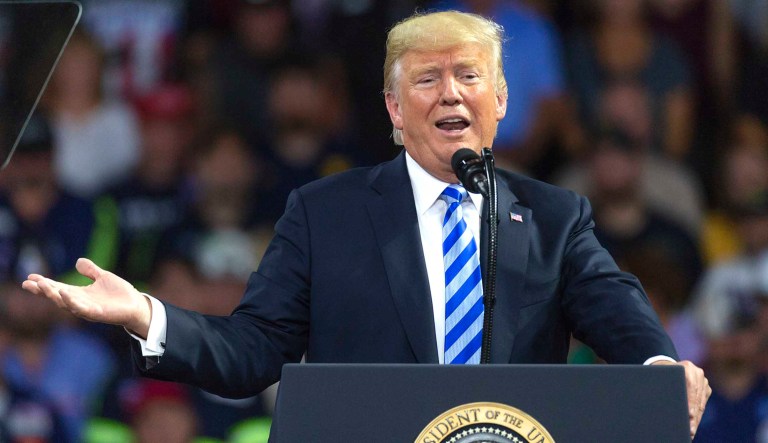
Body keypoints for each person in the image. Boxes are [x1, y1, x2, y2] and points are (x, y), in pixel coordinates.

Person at [20, 10, 710, 438]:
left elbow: (614, 303)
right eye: (426, 78)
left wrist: (657, 370)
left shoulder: (554, 216)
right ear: (392, 108)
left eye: (468, 76)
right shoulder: (325, 213)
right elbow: (253, 350)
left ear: (500, 98)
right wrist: (145, 313)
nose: (450, 92)